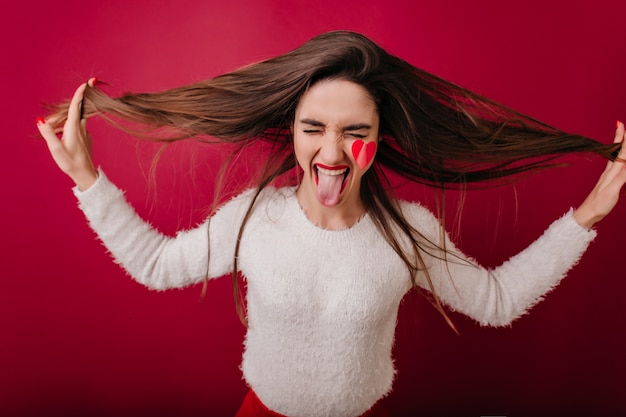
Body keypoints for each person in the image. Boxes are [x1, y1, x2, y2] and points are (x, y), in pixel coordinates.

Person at [36, 31, 625, 417]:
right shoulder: (256, 219)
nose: (333, 152)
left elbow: (496, 301)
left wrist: (592, 211)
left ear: (378, 139)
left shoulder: (407, 234)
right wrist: (87, 177)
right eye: (314, 128)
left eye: (355, 132)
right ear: (292, 131)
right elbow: (156, 266)